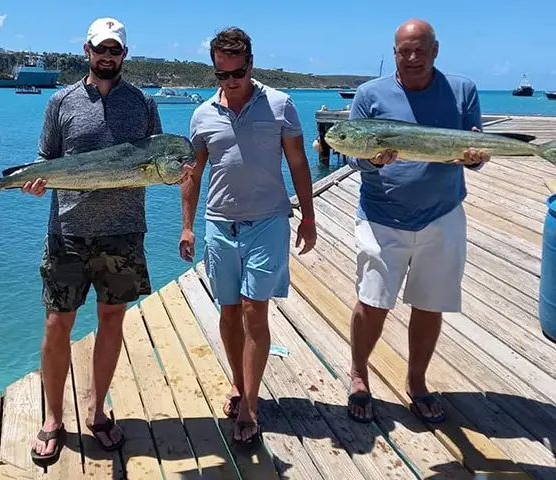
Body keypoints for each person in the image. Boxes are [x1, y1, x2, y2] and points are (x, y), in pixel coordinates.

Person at [23, 17, 163, 465]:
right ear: (86, 50)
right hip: (66, 230)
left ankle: (97, 411)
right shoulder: (61, 101)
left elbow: (157, 158)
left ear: (125, 54)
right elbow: (46, 159)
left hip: (123, 232)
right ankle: (51, 417)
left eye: (115, 50)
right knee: (56, 324)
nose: (108, 57)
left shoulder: (142, 103)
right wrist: (37, 182)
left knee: (112, 321)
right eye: (101, 49)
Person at [344, 19, 489, 424]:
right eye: (403, 51)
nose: (411, 58)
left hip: (443, 216)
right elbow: (353, 153)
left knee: (429, 303)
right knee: (372, 302)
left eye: (419, 50)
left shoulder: (463, 89)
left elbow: (471, 144)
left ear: (435, 50)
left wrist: (475, 156)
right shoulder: (369, 95)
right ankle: (358, 373)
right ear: (394, 53)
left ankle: (417, 380)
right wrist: (371, 159)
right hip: (381, 215)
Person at [179, 27, 317, 446]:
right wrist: (186, 224)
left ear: (250, 64)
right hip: (219, 223)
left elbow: (298, 164)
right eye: (221, 75)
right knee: (228, 310)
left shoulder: (280, 105)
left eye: (236, 73)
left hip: (268, 221)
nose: (230, 82)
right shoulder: (202, 115)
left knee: (256, 310)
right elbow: (192, 174)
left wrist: (308, 217)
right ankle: (238, 383)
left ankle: (251, 407)